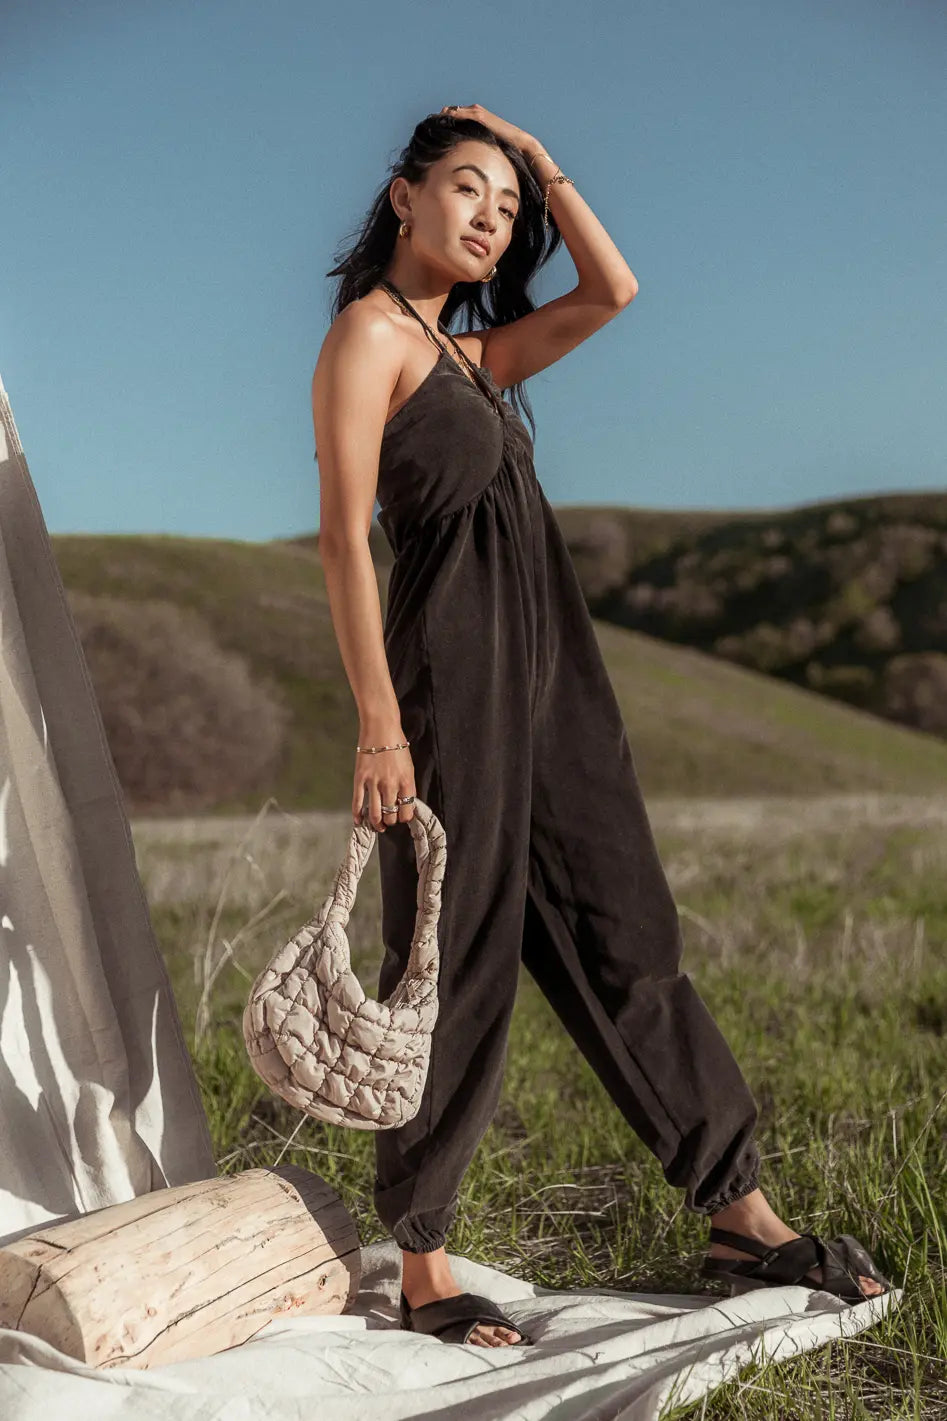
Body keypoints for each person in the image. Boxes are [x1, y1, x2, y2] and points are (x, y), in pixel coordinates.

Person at [310, 105, 891, 1348]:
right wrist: (377, 722)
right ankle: (423, 1256)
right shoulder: (369, 335)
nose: (489, 217)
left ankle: (740, 1215)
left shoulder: (475, 355)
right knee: (451, 953)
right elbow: (343, 537)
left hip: (553, 678)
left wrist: (539, 160)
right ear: (403, 195)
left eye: (506, 207)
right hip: (447, 682)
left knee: (629, 927)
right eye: (466, 188)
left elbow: (612, 288)